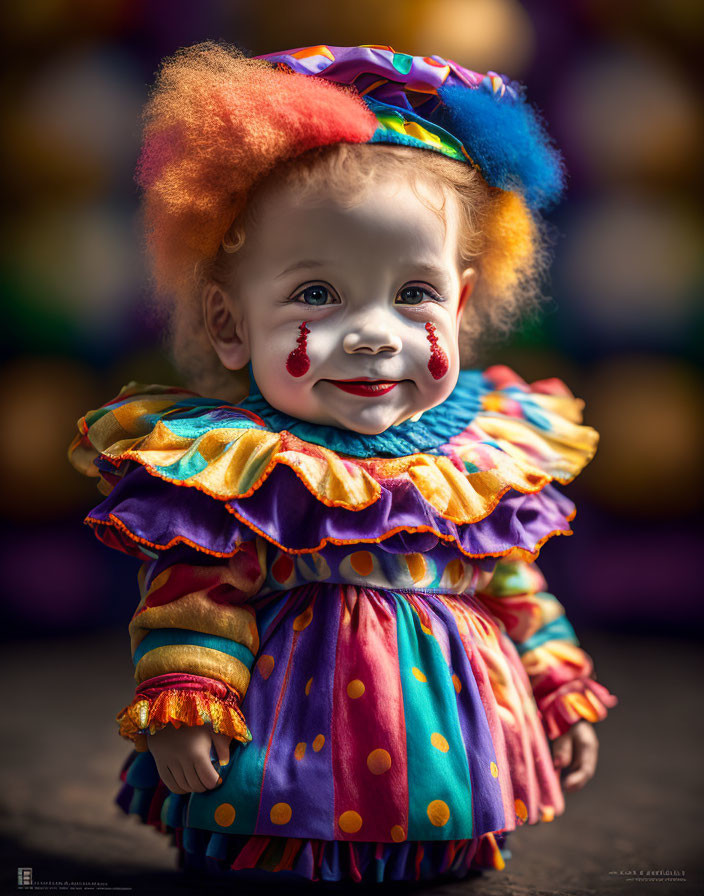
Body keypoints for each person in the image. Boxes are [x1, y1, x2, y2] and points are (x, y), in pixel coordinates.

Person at [68, 42, 618, 884]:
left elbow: (510, 580)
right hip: (291, 732)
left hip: (454, 753)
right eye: (316, 296)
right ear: (229, 321)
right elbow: (197, 593)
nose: (374, 333)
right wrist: (186, 698)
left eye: (414, 296)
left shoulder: (476, 456)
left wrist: (554, 682)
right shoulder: (245, 463)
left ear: (462, 307)